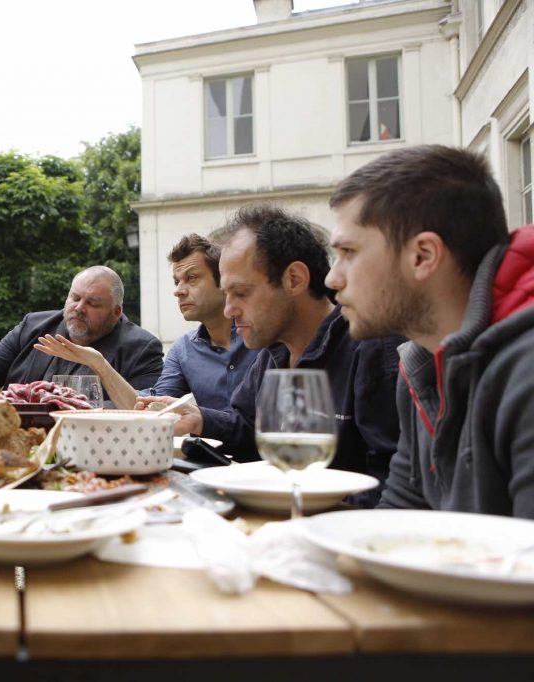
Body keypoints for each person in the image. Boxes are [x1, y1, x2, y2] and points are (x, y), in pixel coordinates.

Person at [326, 144, 534, 518]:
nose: (332, 278)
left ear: (423, 256)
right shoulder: (422, 363)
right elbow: (404, 515)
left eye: (349, 252)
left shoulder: (526, 371)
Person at [142, 205, 401, 500]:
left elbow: (393, 477)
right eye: (226, 294)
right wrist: (200, 419)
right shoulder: (273, 351)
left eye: (241, 293)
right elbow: (248, 428)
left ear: (294, 279)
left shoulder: (371, 346)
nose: (229, 309)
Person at [33, 234, 257, 410]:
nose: (178, 291)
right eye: (176, 281)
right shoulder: (183, 351)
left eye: (192, 278)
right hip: (211, 465)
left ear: (223, 282)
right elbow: (149, 410)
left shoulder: (264, 336)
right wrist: (99, 364)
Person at [0, 265, 163, 392]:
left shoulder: (142, 348)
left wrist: (62, 409)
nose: (79, 308)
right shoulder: (32, 326)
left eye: (92, 303)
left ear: (116, 312)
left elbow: (141, 408)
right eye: (75, 298)